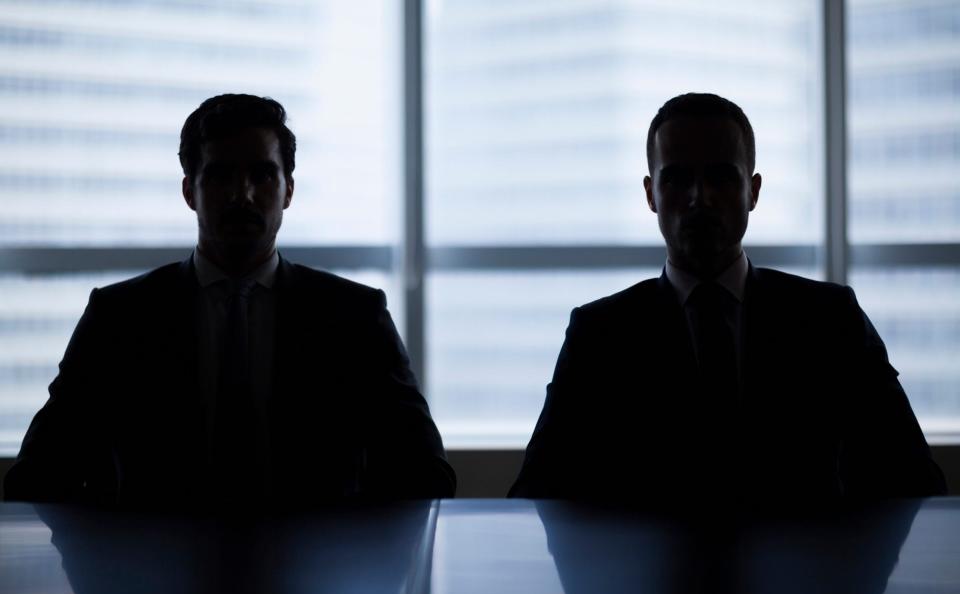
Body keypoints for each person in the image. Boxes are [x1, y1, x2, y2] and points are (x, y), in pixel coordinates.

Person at [4, 94, 455, 508]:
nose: (243, 194)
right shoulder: (121, 318)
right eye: (221, 175)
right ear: (189, 192)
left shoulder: (353, 317)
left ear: (289, 191)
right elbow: (40, 474)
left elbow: (425, 474)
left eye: (262, 174)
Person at [510, 92, 946, 503]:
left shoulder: (831, 320)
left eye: (720, 176)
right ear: (651, 195)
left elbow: (911, 477)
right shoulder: (600, 335)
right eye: (678, 178)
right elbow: (537, 493)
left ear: (753, 191)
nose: (700, 199)